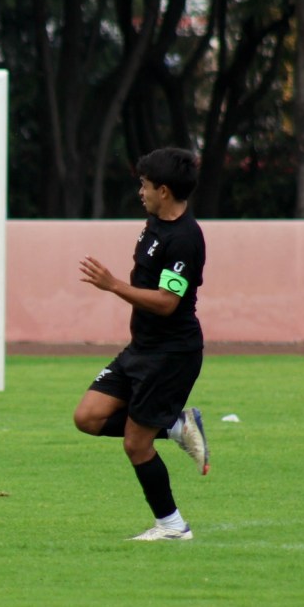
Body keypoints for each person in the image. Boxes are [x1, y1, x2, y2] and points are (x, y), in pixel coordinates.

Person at [73, 147, 210, 541]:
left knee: (135, 443)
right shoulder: (154, 224)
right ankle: (175, 426)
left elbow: (168, 303)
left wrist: (113, 285)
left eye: (145, 185)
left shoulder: (186, 239)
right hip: (142, 349)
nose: (141, 191)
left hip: (172, 355)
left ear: (163, 190)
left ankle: (172, 527)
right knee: (88, 417)